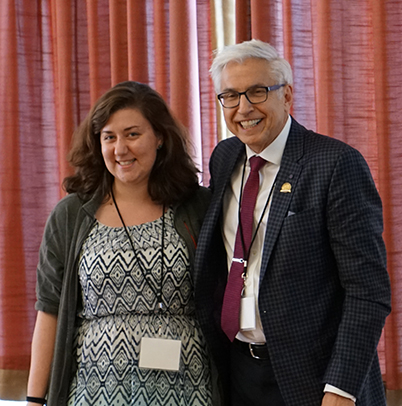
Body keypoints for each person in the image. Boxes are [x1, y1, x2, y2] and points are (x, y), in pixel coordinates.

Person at [194, 39, 391, 406]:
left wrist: (341, 388)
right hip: (239, 373)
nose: (243, 108)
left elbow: (368, 290)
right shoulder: (225, 158)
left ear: (286, 95)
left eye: (256, 92)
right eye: (231, 96)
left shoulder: (334, 165)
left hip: (314, 380)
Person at [26, 81, 219, 406]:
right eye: (109, 137)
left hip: (186, 389)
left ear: (159, 138)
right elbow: (49, 310)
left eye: (132, 134)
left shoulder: (197, 206)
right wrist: (34, 398)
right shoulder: (71, 215)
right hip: (94, 390)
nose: (120, 149)